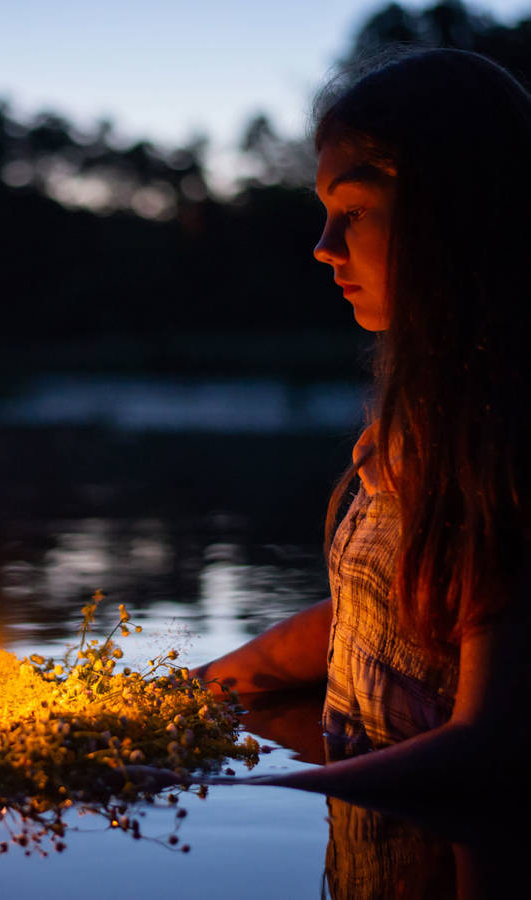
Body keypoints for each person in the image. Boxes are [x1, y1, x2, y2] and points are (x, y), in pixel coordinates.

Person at [194, 48, 531, 801]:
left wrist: (249, 794)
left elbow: (494, 744)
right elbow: (387, 613)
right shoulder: (424, 422)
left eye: (352, 211)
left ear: (455, 214)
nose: (323, 247)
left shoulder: (505, 440)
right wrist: (195, 690)